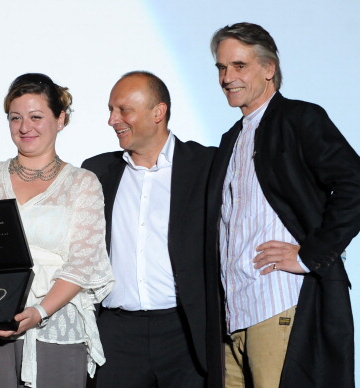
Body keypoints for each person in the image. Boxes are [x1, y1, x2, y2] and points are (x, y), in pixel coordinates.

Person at [205, 22, 360, 388]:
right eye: (221, 68)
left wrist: (310, 255)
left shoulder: (300, 118)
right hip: (232, 318)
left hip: (278, 306)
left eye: (239, 65)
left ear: (269, 68)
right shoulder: (231, 139)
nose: (227, 77)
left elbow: (354, 183)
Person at [0, 73, 114, 388]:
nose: (24, 127)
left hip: (55, 324)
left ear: (60, 119)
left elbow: (84, 263)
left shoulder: (82, 183)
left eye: (36, 117)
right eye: (15, 117)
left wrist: (38, 312)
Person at [81, 71, 216, 388]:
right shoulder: (96, 171)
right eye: (111, 110)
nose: (113, 120)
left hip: (184, 334)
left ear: (159, 112)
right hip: (116, 335)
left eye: (123, 109)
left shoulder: (207, 165)